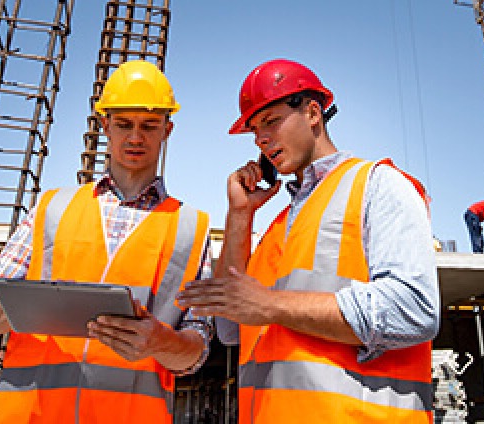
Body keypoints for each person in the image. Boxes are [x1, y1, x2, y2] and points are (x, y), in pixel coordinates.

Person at [178, 58, 439, 424]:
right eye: (255, 129)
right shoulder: (278, 228)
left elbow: (414, 309)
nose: (261, 138)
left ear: (313, 113)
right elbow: (231, 327)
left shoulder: (377, 185)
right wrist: (239, 214)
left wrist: (271, 304)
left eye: (271, 120)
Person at [0, 60, 212, 424]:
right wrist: (38, 306)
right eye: (123, 124)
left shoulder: (191, 228)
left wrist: (161, 341)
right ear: (105, 126)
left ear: (167, 130)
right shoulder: (52, 209)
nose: (136, 137)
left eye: (148, 125)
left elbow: (197, 348)